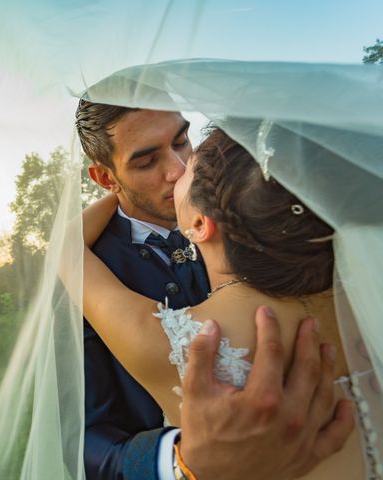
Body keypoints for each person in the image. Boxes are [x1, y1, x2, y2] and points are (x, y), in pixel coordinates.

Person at [75, 101, 355, 479]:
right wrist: (180, 463)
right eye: (146, 161)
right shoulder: (86, 273)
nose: (177, 170)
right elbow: (81, 434)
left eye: (181, 140)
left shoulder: (276, 228)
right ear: (106, 178)